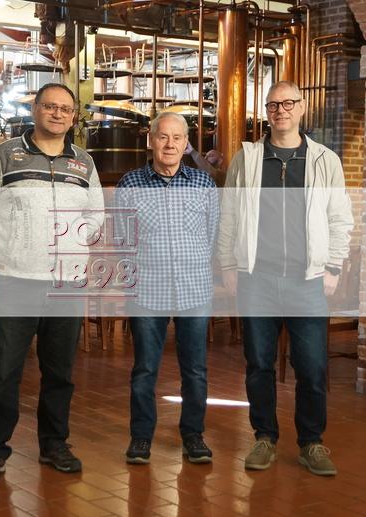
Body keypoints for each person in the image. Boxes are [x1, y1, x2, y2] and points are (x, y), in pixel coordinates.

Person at [0, 83, 104, 485]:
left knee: (60, 372)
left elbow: (96, 214)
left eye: (65, 109)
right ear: (36, 109)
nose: (57, 114)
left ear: (73, 117)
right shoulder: (4, 154)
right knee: (4, 370)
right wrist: (14, 241)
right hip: (16, 280)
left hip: (67, 283)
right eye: (50, 106)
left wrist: (76, 242)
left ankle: (54, 444)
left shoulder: (84, 163)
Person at [217, 80, 353, 476]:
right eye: (274, 104)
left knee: (312, 367)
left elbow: (340, 218)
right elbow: (229, 215)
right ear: (267, 111)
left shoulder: (325, 160)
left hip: (306, 280)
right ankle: (264, 437)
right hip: (256, 279)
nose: (281, 110)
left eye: (288, 103)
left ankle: (311, 442)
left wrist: (333, 267)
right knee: (259, 364)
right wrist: (228, 265)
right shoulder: (248, 159)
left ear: (302, 107)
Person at [115, 111, 219, 465]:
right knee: (145, 369)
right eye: (163, 136)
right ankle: (141, 437)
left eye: (177, 138)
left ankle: (193, 435)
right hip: (147, 291)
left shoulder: (203, 184)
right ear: (151, 140)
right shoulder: (130, 184)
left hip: (194, 289)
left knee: (196, 370)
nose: (170, 144)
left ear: (186, 143)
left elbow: (212, 235)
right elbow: (122, 240)